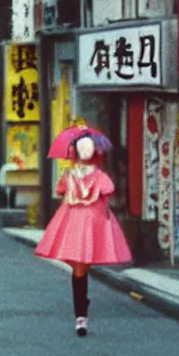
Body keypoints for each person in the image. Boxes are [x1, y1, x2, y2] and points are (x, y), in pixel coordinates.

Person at [34, 134, 132, 337]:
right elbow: (109, 189)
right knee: (84, 265)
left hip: (72, 223)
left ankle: (81, 313)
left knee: (78, 268)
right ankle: (82, 308)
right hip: (94, 224)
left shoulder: (68, 176)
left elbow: (60, 190)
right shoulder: (100, 176)